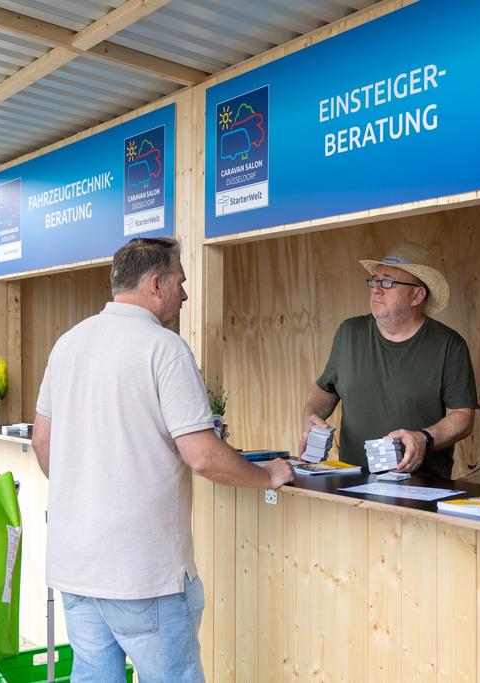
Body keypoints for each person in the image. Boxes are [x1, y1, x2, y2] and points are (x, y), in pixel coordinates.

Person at [32, 236, 294, 683]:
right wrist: (268, 475)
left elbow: (42, 443)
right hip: (144, 575)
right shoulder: (164, 348)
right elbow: (203, 456)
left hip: (76, 567)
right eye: (180, 282)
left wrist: (89, 490)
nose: (185, 294)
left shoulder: (68, 344)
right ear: (156, 284)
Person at [300, 241, 477, 479]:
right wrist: (312, 414)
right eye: (374, 281)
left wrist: (423, 438)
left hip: (422, 489)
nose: (376, 289)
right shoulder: (349, 333)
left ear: (417, 295)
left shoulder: (449, 345)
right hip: (351, 485)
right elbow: (325, 389)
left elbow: (463, 417)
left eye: (388, 282)